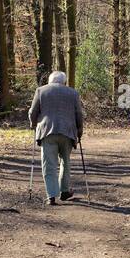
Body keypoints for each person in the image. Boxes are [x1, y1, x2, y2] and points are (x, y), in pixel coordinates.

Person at [28, 71, 84, 205]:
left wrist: (33, 124)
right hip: (68, 132)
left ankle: (51, 195)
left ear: (50, 80)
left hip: (47, 131)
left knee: (49, 164)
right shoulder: (73, 93)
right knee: (65, 162)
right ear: (63, 81)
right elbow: (79, 114)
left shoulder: (41, 91)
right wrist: (79, 130)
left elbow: (33, 111)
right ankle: (64, 191)